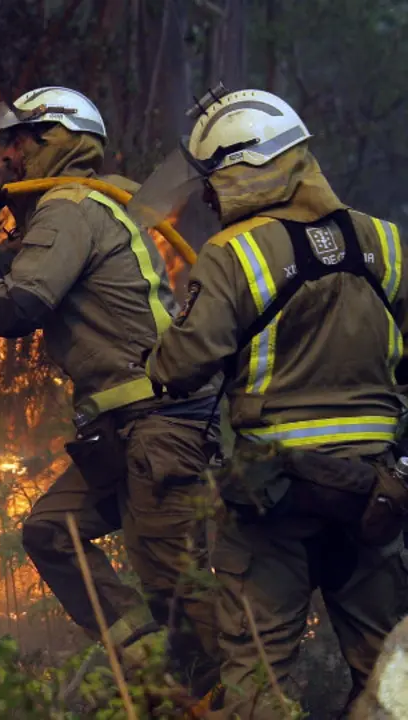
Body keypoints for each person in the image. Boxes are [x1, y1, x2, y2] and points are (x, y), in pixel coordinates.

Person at [0, 86, 221, 689]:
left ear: (59, 140)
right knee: (53, 532)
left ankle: (224, 696)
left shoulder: (70, 208)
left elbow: (14, 308)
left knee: (175, 585)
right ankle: (154, 676)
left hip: (160, 425)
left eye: (17, 141)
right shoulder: (67, 210)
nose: (6, 155)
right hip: (128, 427)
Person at [141, 86, 408, 717]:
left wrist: (157, 353)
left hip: (276, 497)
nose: (209, 199)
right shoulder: (387, 241)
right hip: (373, 493)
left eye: (213, 182)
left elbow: (181, 367)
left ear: (246, 168)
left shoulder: (233, 253)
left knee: (258, 679)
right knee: (390, 679)